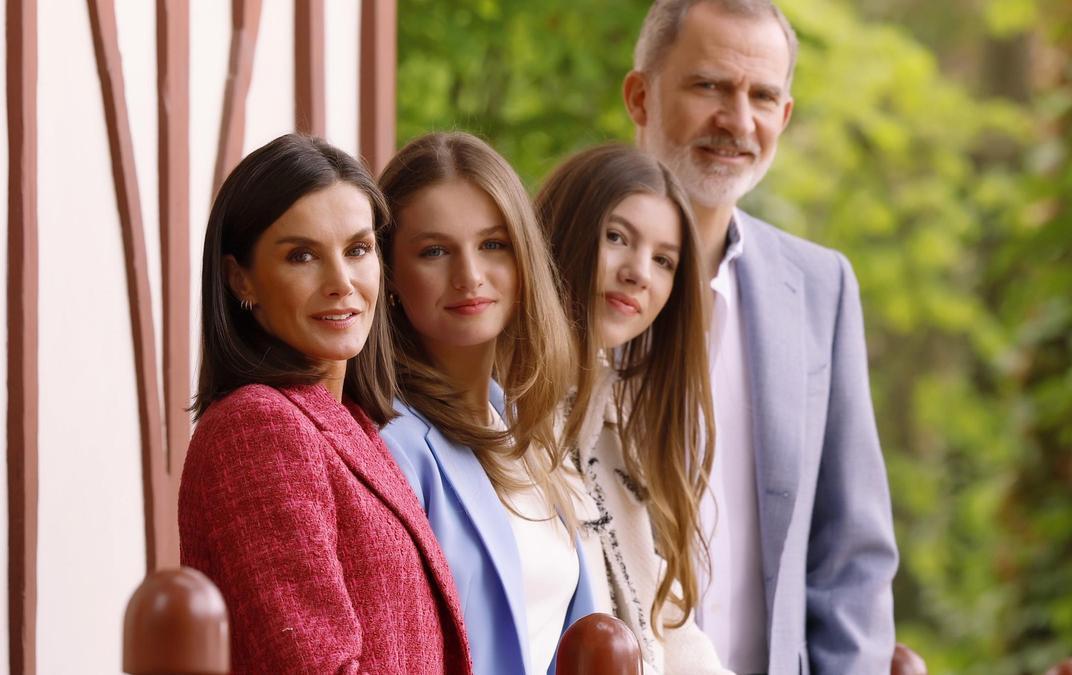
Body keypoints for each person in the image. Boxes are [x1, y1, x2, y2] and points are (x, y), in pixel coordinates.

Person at [623, 1, 900, 673]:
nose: (737, 121)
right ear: (640, 96)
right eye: (710, 86)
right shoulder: (558, 274)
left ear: (785, 115)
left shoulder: (821, 286)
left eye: (762, 95)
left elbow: (852, 551)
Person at [179, 134, 471, 673]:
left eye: (358, 250)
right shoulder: (258, 428)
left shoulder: (351, 425)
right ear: (240, 277)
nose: (341, 283)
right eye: (302, 255)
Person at [376, 131, 599, 675]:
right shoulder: (390, 445)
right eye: (434, 251)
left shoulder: (521, 428)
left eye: (492, 245)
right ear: (390, 276)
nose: (470, 276)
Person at [536, 143, 732, 675]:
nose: (638, 273)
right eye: (617, 237)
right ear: (562, 231)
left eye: (664, 260)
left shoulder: (617, 427)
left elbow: (667, 630)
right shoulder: (502, 414)